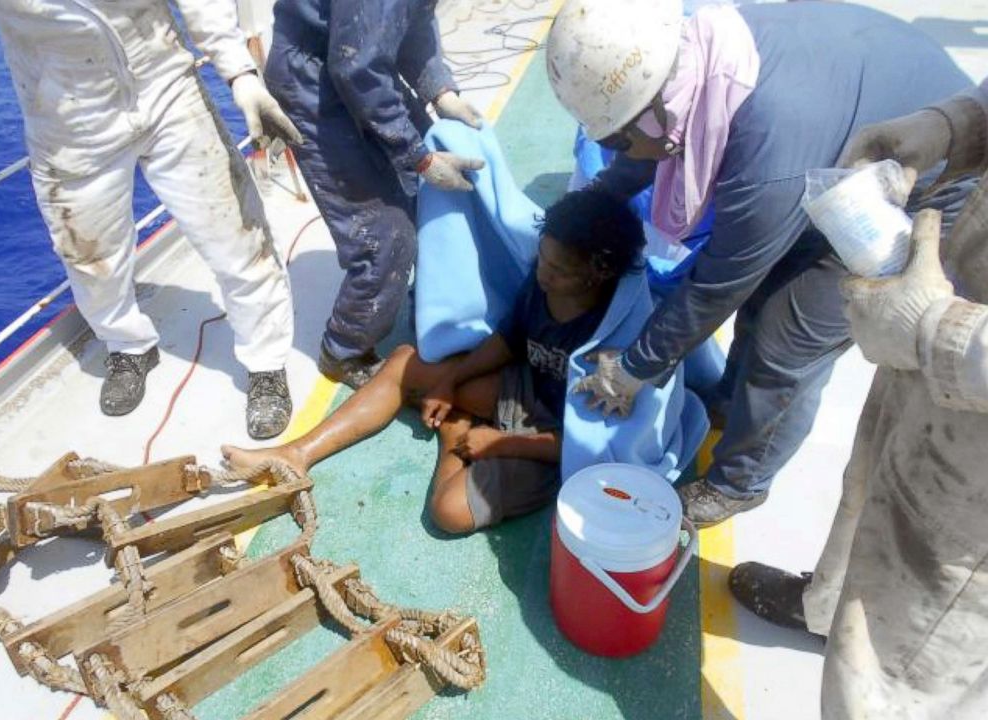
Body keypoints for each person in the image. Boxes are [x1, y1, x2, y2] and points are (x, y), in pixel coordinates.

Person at [545, 0, 975, 526]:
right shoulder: (700, 61)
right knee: (764, 290)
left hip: (929, 181)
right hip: (842, 138)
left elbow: (716, 287)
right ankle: (729, 399)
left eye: (617, 138)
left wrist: (634, 369)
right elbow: (646, 150)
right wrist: (591, 203)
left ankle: (740, 482)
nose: (617, 150)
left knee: (787, 340)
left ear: (662, 112)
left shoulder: (765, 154)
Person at [729, 82, 988, 720]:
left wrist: (939, 332)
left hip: (973, 441)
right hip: (948, 313)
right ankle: (823, 606)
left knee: (896, 666)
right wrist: (958, 124)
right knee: (869, 486)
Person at [222, 190, 645, 533]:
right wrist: (451, 380)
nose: (543, 273)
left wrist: (501, 443)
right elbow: (509, 340)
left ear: (597, 274)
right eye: (544, 257)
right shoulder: (544, 279)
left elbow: (592, 446)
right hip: (527, 390)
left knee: (449, 513)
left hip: (556, 441)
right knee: (406, 363)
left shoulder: (615, 340)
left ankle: (455, 431)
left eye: (559, 269)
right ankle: (296, 454)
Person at [0, 0, 300, 439]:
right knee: (90, 259)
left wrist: (240, 74)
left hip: (166, 88)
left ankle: (267, 363)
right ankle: (127, 345)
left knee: (240, 237)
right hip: (67, 120)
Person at [263, 0, 486, 390]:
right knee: (386, 235)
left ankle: (431, 302)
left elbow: (413, 19)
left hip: (358, 58)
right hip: (312, 83)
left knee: (425, 198)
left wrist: (440, 89)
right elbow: (356, 68)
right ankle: (344, 349)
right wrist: (419, 156)